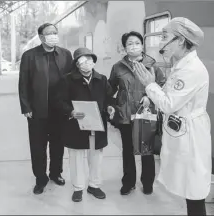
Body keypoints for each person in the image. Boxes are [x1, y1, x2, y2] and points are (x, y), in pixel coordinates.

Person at [134, 17, 210, 216]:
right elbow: (170, 94)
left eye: (165, 37)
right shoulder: (181, 66)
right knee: (188, 187)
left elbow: (169, 104)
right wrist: (152, 94)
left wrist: (150, 85)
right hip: (182, 131)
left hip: (191, 136)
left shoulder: (191, 70)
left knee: (194, 190)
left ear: (181, 41)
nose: (161, 43)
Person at [108, 31, 166, 195]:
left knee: (146, 150)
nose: (133, 46)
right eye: (129, 44)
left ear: (142, 45)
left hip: (145, 114)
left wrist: (150, 96)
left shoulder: (152, 65)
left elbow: (162, 86)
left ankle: (147, 183)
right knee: (127, 150)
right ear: (125, 48)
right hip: (125, 114)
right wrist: (112, 105)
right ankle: (128, 183)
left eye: (137, 43)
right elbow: (110, 88)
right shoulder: (118, 67)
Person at [18, 23, 73, 194]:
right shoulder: (30, 56)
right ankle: (40, 178)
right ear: (41, 37)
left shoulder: (65, 54)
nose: (53, 36)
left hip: (60, 109)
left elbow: (72, 81)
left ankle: (56, 173)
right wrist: (25, 106)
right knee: (38, 146)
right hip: (37, 109)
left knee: (58, 144)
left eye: (55, 33)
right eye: (49, 33)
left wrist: (70, 107)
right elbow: (23, 83)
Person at [55, 48, 114, 202]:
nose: (87, 63)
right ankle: (78, 188)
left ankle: (94, 185)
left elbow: (109, 98)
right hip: (76, 125)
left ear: (94, 61)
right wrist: (71, 112)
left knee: (96, 157)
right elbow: (59, 101)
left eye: (89, 59)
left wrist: (109, 107)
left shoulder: (101, 79)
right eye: (82, 60)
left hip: (97, 124)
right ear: (77, 64)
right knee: (76, 157)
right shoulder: (67, 80)